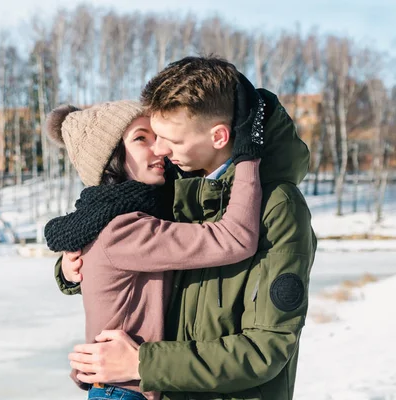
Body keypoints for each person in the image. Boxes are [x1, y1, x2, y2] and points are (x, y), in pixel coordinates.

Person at [57, 57, 317, 400]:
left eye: (170, 139)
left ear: (219, 135)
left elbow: (265, 350)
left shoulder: (278, 207)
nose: (160, 150)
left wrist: (142, 364)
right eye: (150, 137)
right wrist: (71, 266)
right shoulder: (177, 189)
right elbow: (114, 238)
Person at [43, 95, 263, 400]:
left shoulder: (111, 218)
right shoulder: (125, 229)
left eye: (157, 136)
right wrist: (247, 157)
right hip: (125, 391)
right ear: (111, 157)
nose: (158, 147)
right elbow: (234, 238)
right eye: (140, 138)